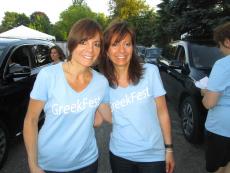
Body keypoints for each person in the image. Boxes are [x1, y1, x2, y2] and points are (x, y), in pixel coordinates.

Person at [23, 18, 109, 173]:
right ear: (72, 43)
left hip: (87, 162)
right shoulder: (48, 76)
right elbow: (31, 120)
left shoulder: (101, 82)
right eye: (84, 42)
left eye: (96, 44)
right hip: (49, 165)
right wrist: (33, 164)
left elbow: (100, 118)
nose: (90, 49)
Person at [99, 21, 175, 173]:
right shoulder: (101, 83)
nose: (122, 50)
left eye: (127, 44)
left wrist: (169, 149)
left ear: (133, 48)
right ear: (106, 50)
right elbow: (103, 118)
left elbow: (162, 112)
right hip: (120, 155)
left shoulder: (150, 72)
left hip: (153, 155)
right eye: (115, 44)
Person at [201, 22, 230, 173]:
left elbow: (209, 103)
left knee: (217, 169)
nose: (219, 50)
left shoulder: (223, 64)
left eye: (219, 45)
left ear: (227, 42)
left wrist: (205, 94)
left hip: (221, 128)